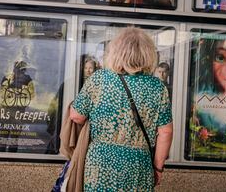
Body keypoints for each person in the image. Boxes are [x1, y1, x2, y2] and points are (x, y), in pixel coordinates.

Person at [70, 27, 173, 191]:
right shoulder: (158, 87)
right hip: (139, 163)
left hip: (100, 163)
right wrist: (158, 168)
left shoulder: (99, 78)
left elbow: (76, 116)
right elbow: (165, 132)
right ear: (148, 54)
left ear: (116, 52)